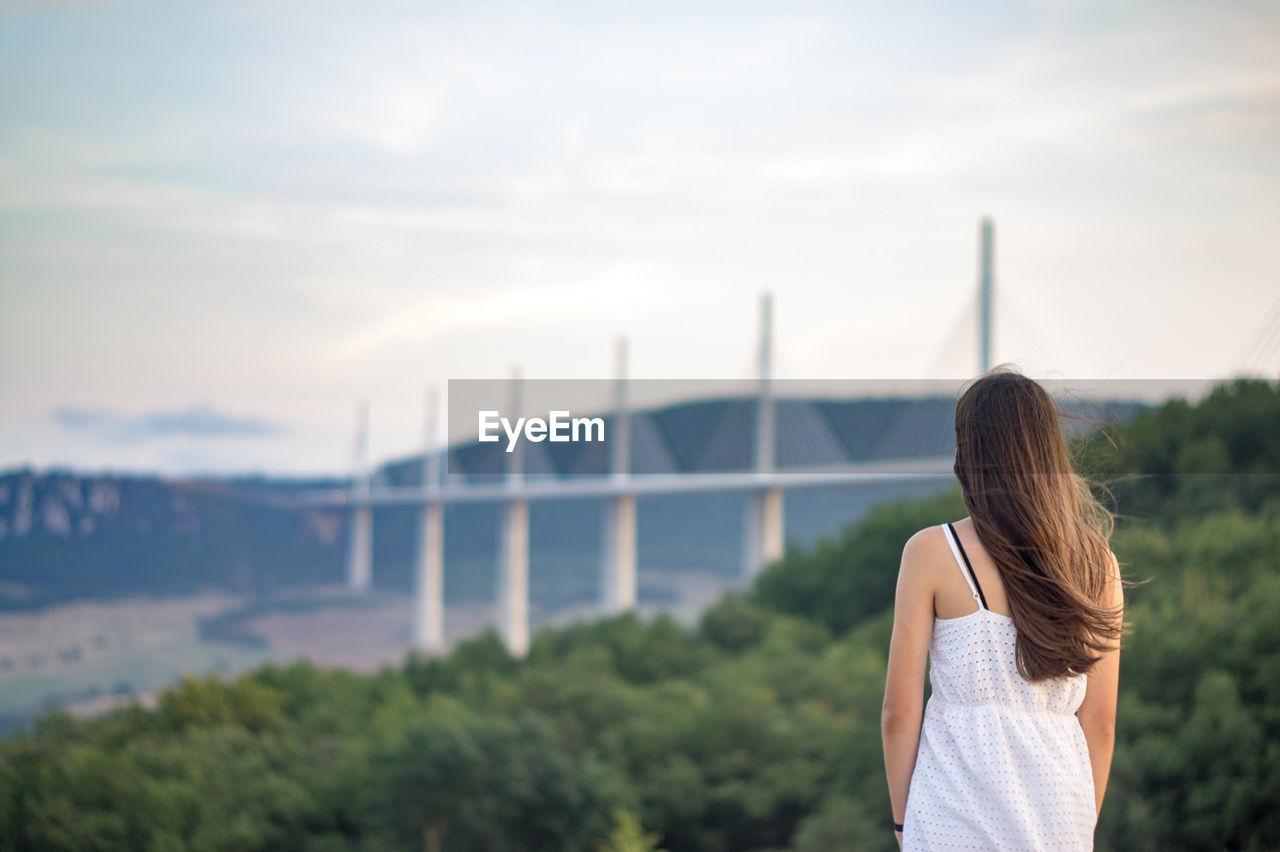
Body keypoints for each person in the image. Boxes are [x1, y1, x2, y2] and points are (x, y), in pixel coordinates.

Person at [881, 367, 1126, 851]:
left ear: (967, 451)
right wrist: (1080, 827)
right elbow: (1100, 724)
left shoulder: (932, 552)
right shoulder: (1099, 566)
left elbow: (899, 713)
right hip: (1062, 823)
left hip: (951, 821)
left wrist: (903, 824)